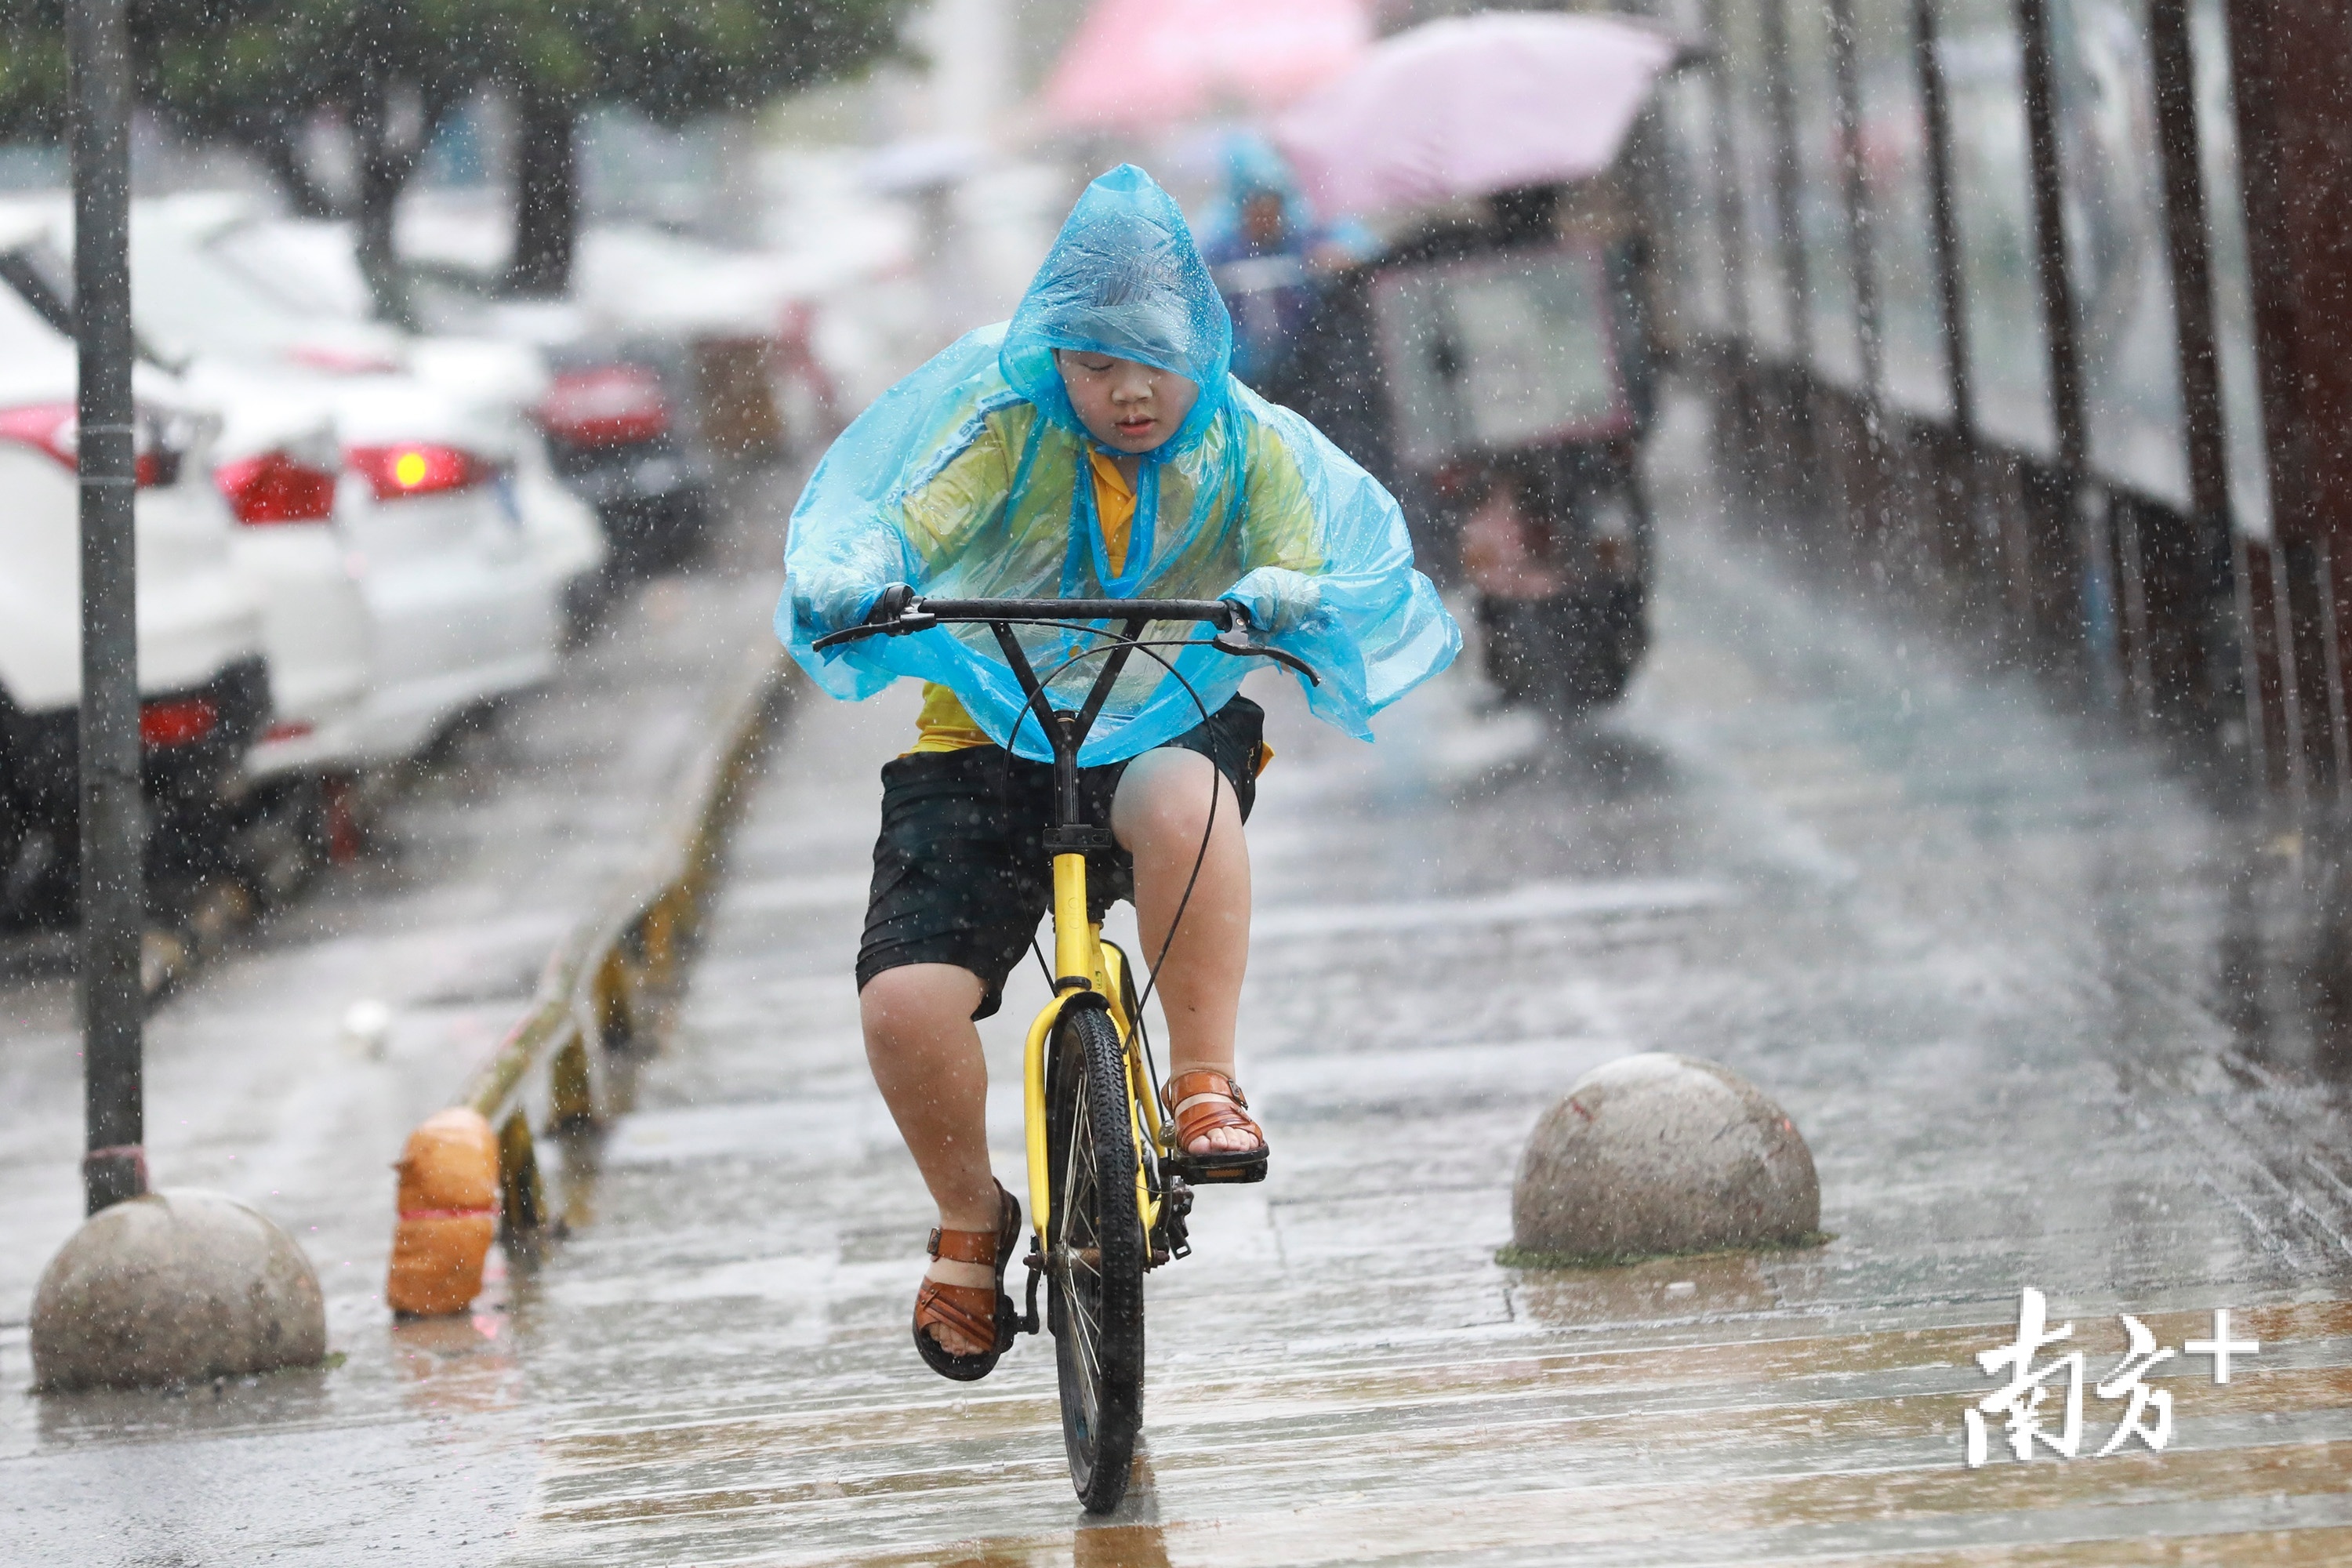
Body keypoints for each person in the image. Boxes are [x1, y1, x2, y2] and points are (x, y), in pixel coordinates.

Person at [779, 165, 1457, 1381]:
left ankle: (1203, 1084)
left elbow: (1324, 564)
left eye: (1155, 361)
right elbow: (899, 526)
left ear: (1203, 348)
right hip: (980, 743)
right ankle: (970, 1220)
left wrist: (1286, 594)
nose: (1130, 391)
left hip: (1165, 720)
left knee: (1179, 801)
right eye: (1095, 363)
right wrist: (859, 567)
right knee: (904, 1004)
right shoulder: (1004, 434)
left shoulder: (1249, 447)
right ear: (1052, 358)